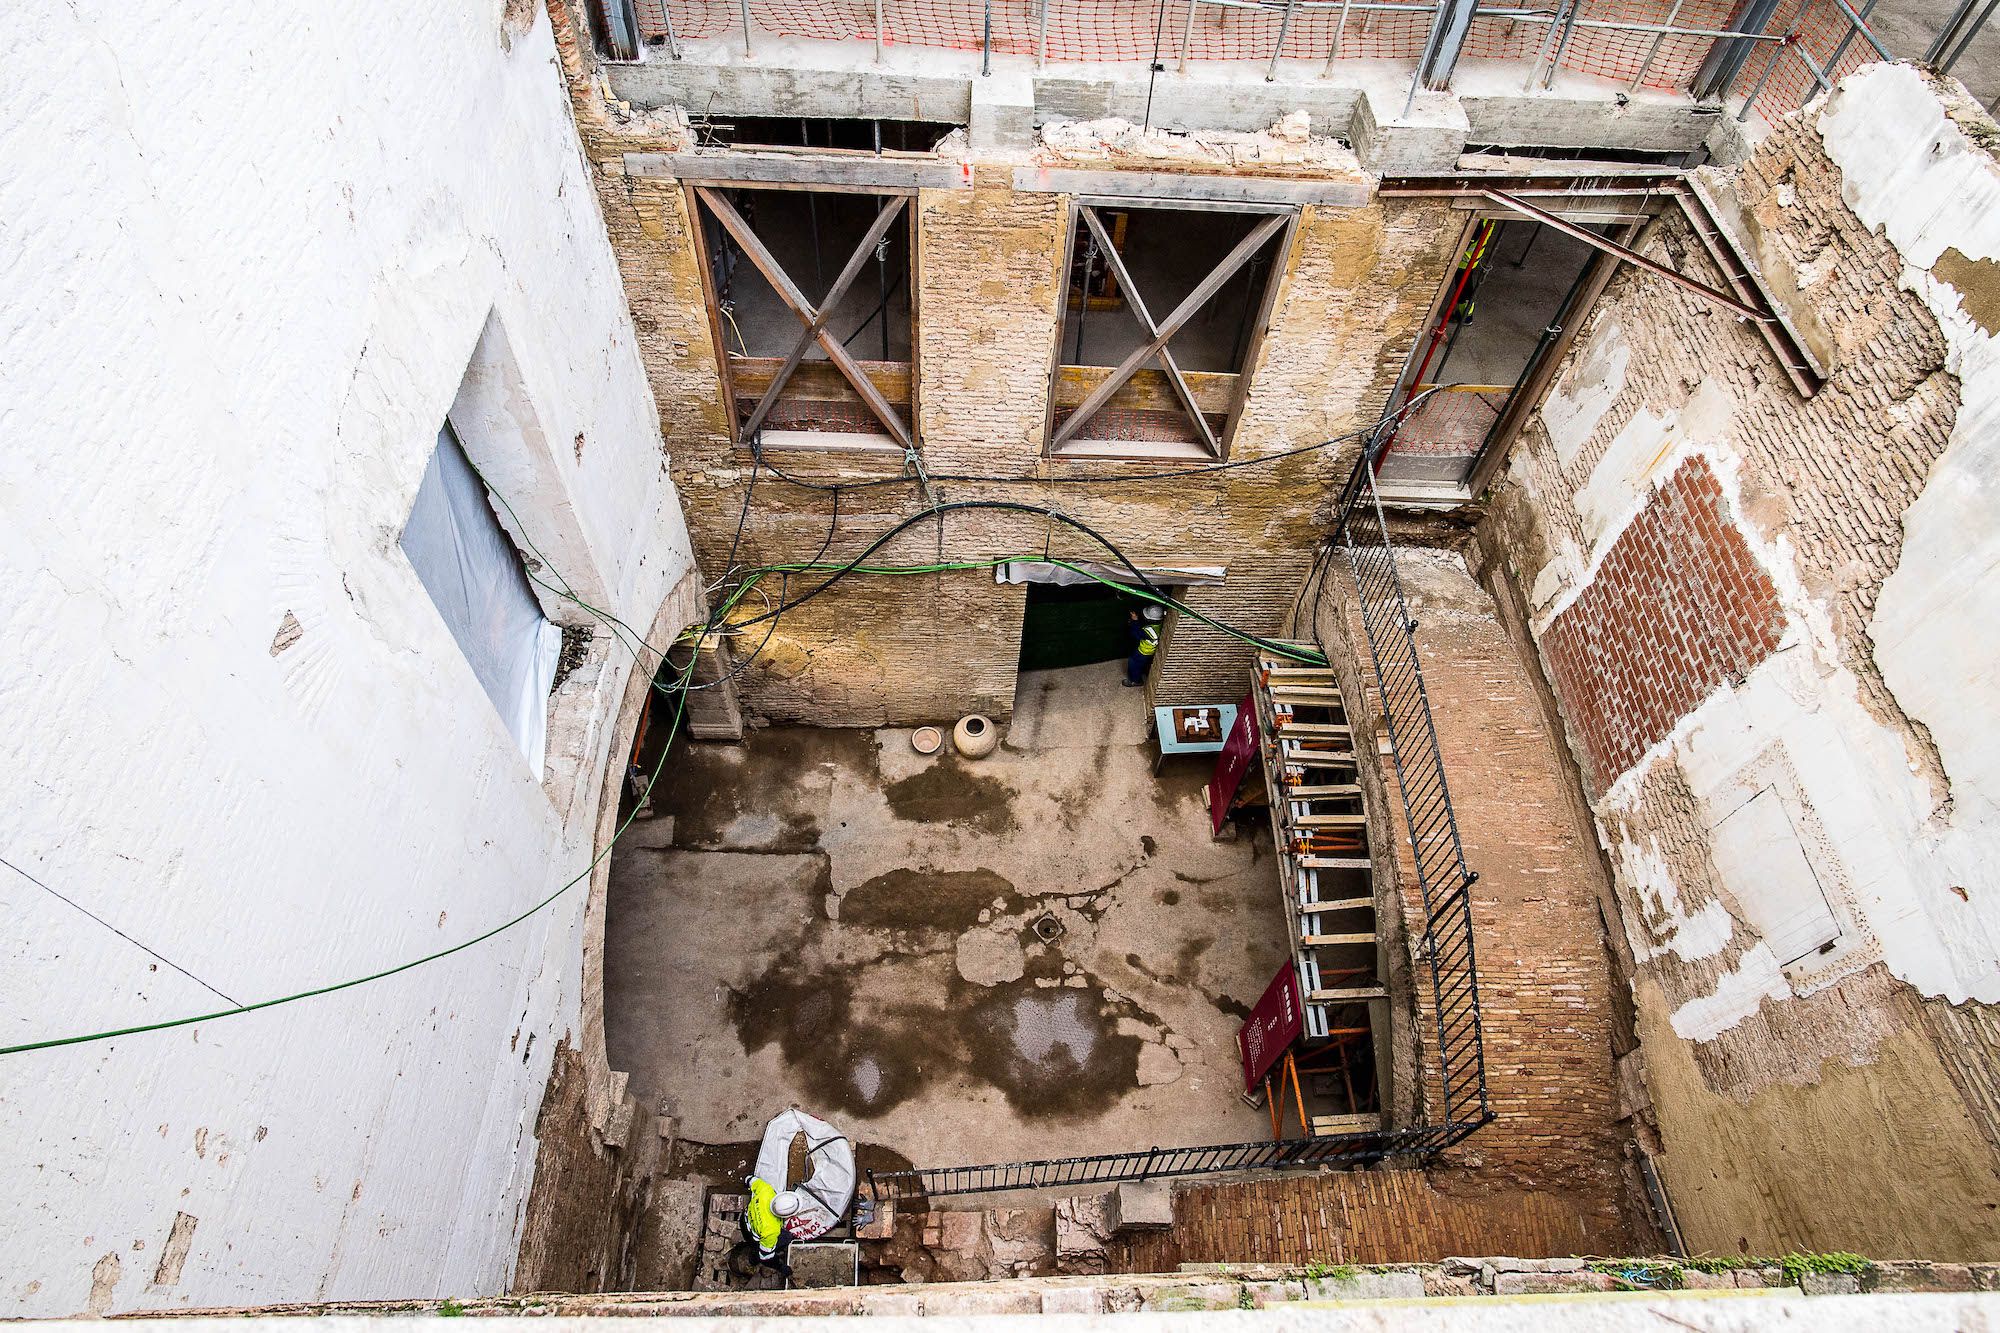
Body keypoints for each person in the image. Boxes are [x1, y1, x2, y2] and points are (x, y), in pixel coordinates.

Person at [742, 1177, 802, 1279]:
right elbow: (765, 1257)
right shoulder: (771, 1230)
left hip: (744, 1220)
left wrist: (746, 1183)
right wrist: (780, 1267)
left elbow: (749, 1179)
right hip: (752, 1236)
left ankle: (753, 1257)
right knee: (786, 1238)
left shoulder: (766, 1190)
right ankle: (753, 1260)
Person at [1124, 606, 1161, 687]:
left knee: (1133, 663)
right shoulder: (1160, 625)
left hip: (1143, 651)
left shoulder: (1148, 630)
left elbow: (1136, 633)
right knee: (1143, 663)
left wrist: (1134, 621)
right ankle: (1142, 672)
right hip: (1152, 651)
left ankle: (1135, 681)